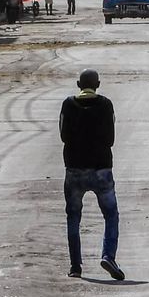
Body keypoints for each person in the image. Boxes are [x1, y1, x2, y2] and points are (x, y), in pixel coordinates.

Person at [59, 69, 124, 280]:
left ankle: (75, 266)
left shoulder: (68, 105)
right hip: (101, 169)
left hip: (74, 170)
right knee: (111, 215)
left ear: (79, 84)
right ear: (98, 84)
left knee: (73, 217)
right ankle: (108, 256)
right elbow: (111, 139)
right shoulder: (106, 105)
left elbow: (63, 136)